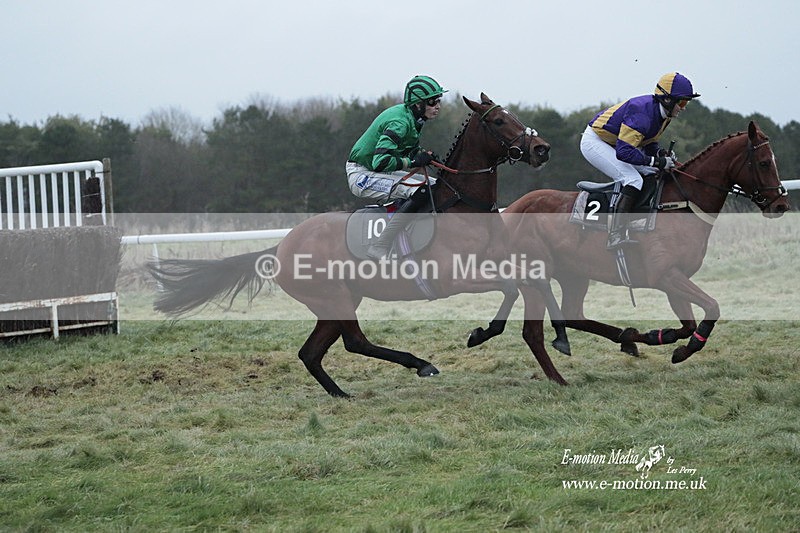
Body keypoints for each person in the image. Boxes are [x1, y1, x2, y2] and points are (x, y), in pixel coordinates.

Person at [580, 72, 700, 249]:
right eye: (682, 103)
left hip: (617, 143)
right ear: (667, 99)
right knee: (633, 179)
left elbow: (648, 142)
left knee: (651, 172)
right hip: (596, 142)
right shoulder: (642, 114)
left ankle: (635, 223)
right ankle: (615, 234)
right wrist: (658, 162)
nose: (683, 108)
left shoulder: (663, 115)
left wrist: (660, 153)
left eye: (686, 103)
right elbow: (624, 153)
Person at [346, 75, 447, 259]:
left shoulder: (413, 119)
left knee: (436, 186)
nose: (438, 106)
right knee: (420, 191)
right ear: (418, 104)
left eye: (438, 100)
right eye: (432, 102)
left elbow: (405, 151)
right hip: (362, 175)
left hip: (378, 171)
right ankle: (380, 245)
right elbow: (381, 162)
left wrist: (424, 156)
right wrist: (414, 162)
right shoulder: (400, 123)